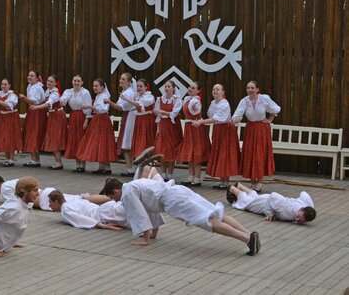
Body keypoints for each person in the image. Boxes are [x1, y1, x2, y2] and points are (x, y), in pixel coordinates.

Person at [101, 166, 260, 256]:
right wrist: (153, 234)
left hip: (173, 199)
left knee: (207, 220)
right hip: (178, 190)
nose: (115, 201)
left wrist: (146, 240)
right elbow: (150, 211)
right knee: (215, 212)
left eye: (113, 198)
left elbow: (139, 215)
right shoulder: (135, 185)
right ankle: (249, 234)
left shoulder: (128, 192)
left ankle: (246, 239)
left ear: (115, 191)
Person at [231, 81, 281, 192]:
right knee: (250, 155)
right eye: (248, 88)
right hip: (250, 129)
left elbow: (275, 109)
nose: (250, 90)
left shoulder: (263, 99)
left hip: (262, 129)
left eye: (252, 88)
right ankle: (252, 182)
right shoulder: (244, 101)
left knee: (260, 155)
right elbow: (238, 114)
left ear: (257, 89)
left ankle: (259, 182)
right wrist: (234, 119)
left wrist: (269, 120)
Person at [194, 84, 240, 189]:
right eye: (214, 89)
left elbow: (216, 118)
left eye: (217, 89)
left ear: (223, 92)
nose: (215, 91)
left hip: (226, 130)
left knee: (225, 154)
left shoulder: (224, 104)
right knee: (219, 154)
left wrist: (201, 122)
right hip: (218, 130)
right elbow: (211, 116)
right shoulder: (213, 103)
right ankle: (222, 181)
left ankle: (225, 182)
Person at [227, 183, 316, 224]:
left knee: (255, 197)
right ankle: (232, 188)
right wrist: (269, 213)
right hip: (265, 203)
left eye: (301, 220)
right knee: (247, 204)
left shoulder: (307, 207)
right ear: (301, 209)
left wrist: (311, 209)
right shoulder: (287, 208)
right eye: (298, 217)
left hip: (269, 200)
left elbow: (304, 194)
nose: (297, 219)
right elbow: (274, 196)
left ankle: (240, 186)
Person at [78, 79, 116, 174]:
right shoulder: (99, 96)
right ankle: (102, 167)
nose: (94, 88)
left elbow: (103, 109)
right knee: (99, 142)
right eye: (94, 86)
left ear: (102, 87)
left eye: (96, 86)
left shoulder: (104, 96)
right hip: (97, 119)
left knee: (103, 141)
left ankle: (106, 167)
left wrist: (90, 107)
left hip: (102, 120)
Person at [177, 81, 210, 187]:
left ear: (198, 91)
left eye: (193, 88)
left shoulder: (196, 101)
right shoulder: (187, 99)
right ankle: (190, 177)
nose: (190, 89)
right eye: (189, 87)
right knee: (189, 152)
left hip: (196, 128)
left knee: (197, 152)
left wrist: (195, 108)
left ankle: (197, 178)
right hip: (188, 127)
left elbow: (196, 110)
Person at [104, 72, 137, 176]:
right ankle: (131, 168)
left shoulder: (128, 93)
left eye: (123, 79)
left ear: (128, 82)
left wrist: (109, 102)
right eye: (121, 79)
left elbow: (120, 107)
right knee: (128, 143)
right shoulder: (126, 92)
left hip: (130, 117)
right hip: (129, 116)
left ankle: (130, 169)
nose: (121, 81)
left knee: (127, 143)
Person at [48, 189, 128, 230]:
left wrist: (104, 226)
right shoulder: (72, 200)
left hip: (104, 215)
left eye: (50, 202)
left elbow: (81, 219)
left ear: (56, 202)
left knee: (131, 211)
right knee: (130, 207)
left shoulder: (65, 211)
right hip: (105, 208)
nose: (49, 205)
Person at [34, 75, 67, 170]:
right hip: (52, 116)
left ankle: (58, 162)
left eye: (51, 82)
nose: (49, 83)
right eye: (48, 81)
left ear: (56, 83)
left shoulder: (55, 93)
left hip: (57, 116)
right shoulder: (47, 91)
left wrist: (36, 107)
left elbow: (48, 103)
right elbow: (42, 100)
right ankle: (58, 162)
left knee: (55, 138)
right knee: (52, 137)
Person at [59, 75, 91, 173]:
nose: (76, 83)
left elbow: (88, 106)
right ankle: (78, 164)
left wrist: (86, 119)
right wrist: (62, 101)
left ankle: (83, 164)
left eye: (78, 81)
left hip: (82, 115)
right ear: (72, 82)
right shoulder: (69, 92)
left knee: (81, 139)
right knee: (74, 139)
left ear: (82, 82)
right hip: (73, 116)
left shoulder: (85, 92)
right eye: (75, 81)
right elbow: (63, 99)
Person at [152, 80, 183, 181]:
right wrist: (158, 128)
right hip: (163, 125)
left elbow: (173, 114)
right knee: (162, 149)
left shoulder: (176, 100)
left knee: (171, 149)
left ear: (173, 88)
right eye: (165, 87)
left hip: (173, 126)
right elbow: (158, 115)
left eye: (169, 87)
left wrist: (162, 111)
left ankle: (170, 174)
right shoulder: (160, 99)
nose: (166, 88)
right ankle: (163, 173)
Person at [125, 78, 157, 171]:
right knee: (139, 141)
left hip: (147, 121)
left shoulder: (149, 97)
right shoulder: (137, 96)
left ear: (146, 87)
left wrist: (127, 99)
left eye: (141, 86)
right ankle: (139, 164)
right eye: (138, 86)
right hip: (139, 120)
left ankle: (147, 165)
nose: (139, 88)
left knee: (146, 141)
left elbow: (140, 104)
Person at [19, 71, 46, 167]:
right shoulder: (30, 86)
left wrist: (24, 98)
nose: (29, 77)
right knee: (32, 133)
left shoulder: (37, 87)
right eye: (29, 75)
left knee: (33, 133)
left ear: (37, 78)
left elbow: (34, 102)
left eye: (32, 76)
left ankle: (34, 160)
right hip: (33, 111)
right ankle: (36, 160)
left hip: (36, 111)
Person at [0, 78, 22, 167]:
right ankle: (7, 158)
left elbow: (8, 105)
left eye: (5, 84)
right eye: (2, 84)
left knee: (10, 137)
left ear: (9, 85)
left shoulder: (12, 95)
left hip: (11, 117)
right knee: (4, 137)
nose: (3, 86)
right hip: (3, 117)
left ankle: (11, 159)